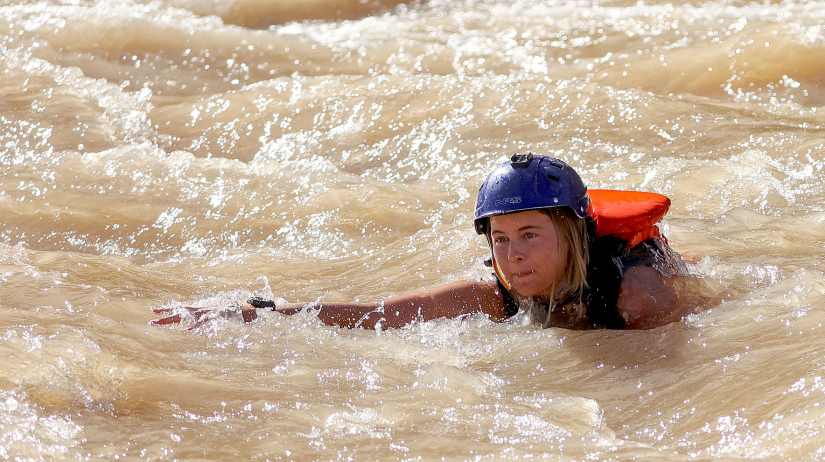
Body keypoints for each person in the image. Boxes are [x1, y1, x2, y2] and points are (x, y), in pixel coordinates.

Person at [152, 153, 685, 330]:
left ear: (570, 234)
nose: (512, 255)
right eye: (498, 238)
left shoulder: (636, 298)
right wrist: (256, 313)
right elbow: (379, 314)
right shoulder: (491, 292)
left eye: (528, 235)